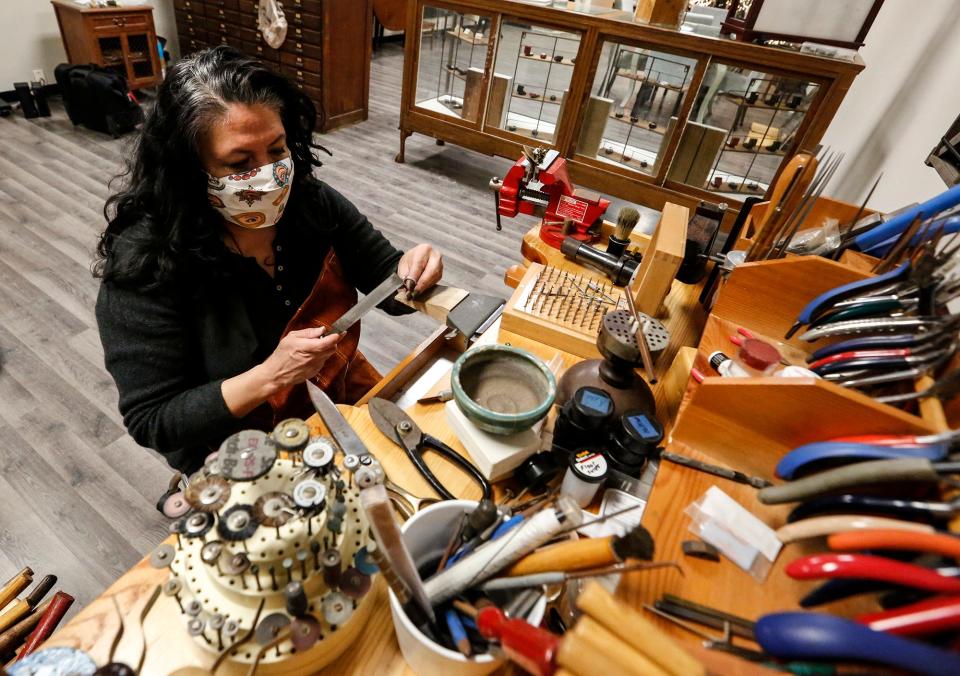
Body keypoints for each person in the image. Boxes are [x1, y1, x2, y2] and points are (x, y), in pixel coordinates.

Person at [95, 47, 442, 475]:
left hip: (335, 389)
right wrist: (271, 376)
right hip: (236, 440)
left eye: (277, 151)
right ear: (188, 167)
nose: (268, 175)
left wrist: (412, 270)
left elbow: (387, 282)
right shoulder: (147, 265)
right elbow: (155, 420)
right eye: (239, 163)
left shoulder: (309, 204)